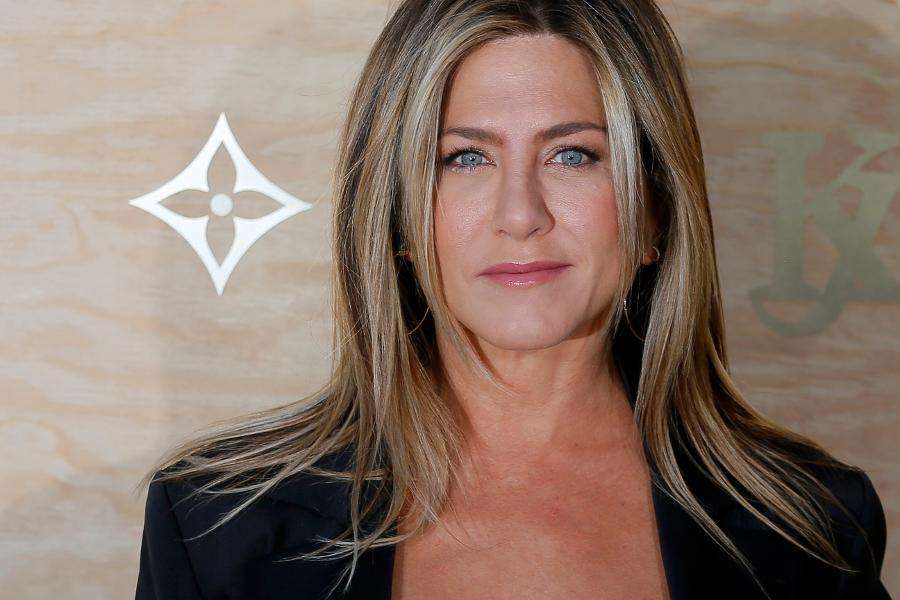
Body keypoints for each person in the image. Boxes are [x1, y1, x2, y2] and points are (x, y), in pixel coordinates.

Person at [134, 1, 890, 599]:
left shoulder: (808, 527)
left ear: (656, 207)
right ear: (399, 218)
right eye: (465, 157)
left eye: (573, 154)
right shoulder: (217, 523)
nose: (521, 214)